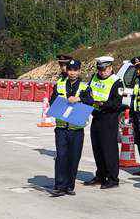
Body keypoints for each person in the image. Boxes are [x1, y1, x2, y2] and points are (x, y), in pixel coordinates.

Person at [81, 56, 124, 189]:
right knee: (97, 148)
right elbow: (87, 92)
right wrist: (88, 100)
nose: (102, 72)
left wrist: (99, 104)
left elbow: (116, 103)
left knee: (109, 150)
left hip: (108, 119)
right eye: (100, 69)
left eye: (104, 69)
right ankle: (100, 175)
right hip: (96, 118)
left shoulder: (116, 82)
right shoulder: (94, 77)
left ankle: (112, 179)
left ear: (110, 68)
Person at [49, 56, 86, 197]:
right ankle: (59, 186)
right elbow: (52, 100)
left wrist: (79, 98)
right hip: (61, 128)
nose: (72, 73)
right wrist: (62, 101)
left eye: (75, 70)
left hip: (76, 129)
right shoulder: (59, 84)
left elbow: (90, 101)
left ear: (79, 71)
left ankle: (70, 186)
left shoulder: (84, 87)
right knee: (61, 157)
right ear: (67, 70)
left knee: (74, 157)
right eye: (70, 70)